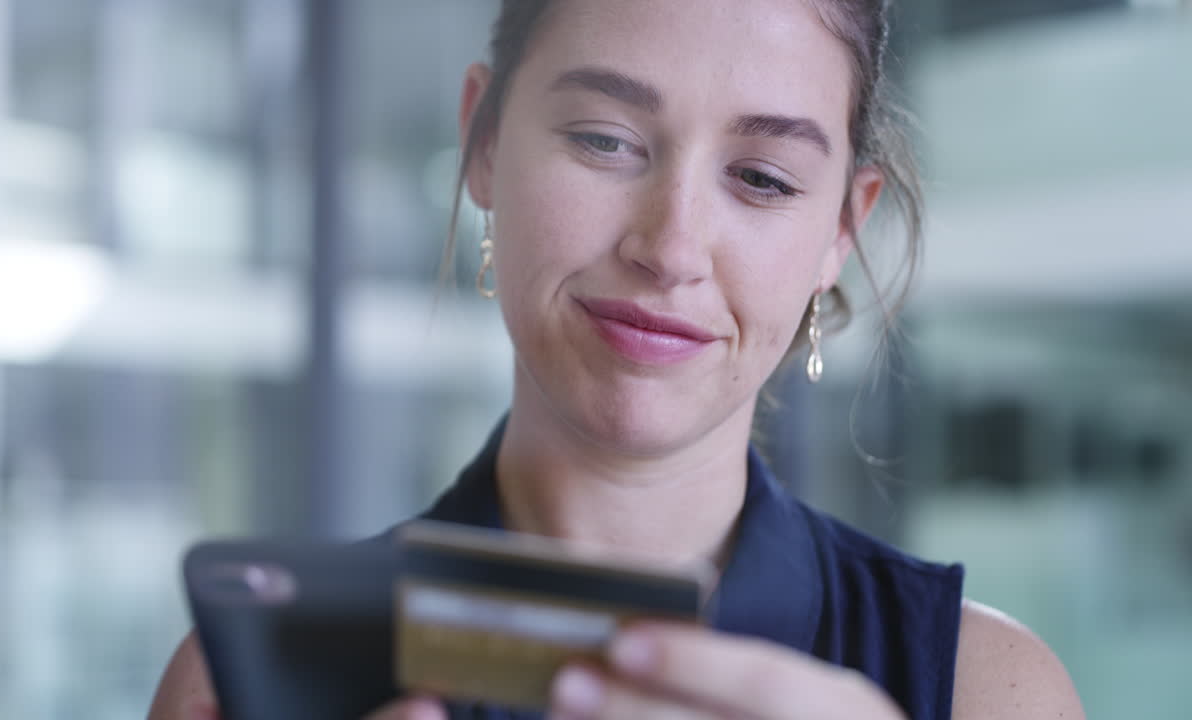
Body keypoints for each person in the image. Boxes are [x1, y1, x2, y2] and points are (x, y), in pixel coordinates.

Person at [150, 1, 1086, 718]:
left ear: (842, 227)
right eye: (604, 140)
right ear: (483, 143)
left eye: (762, 178)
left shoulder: (987, 692)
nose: (671, 248)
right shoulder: (257, 678)